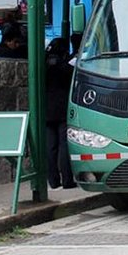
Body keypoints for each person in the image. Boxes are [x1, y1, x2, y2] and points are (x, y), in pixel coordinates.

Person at [45, 37, 77, 189]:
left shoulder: (43, 64)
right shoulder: (65, 66)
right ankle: (67, 179)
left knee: (50, 146)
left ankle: (52, 180)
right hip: (63, 109)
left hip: (47, 111)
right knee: (64, 145)